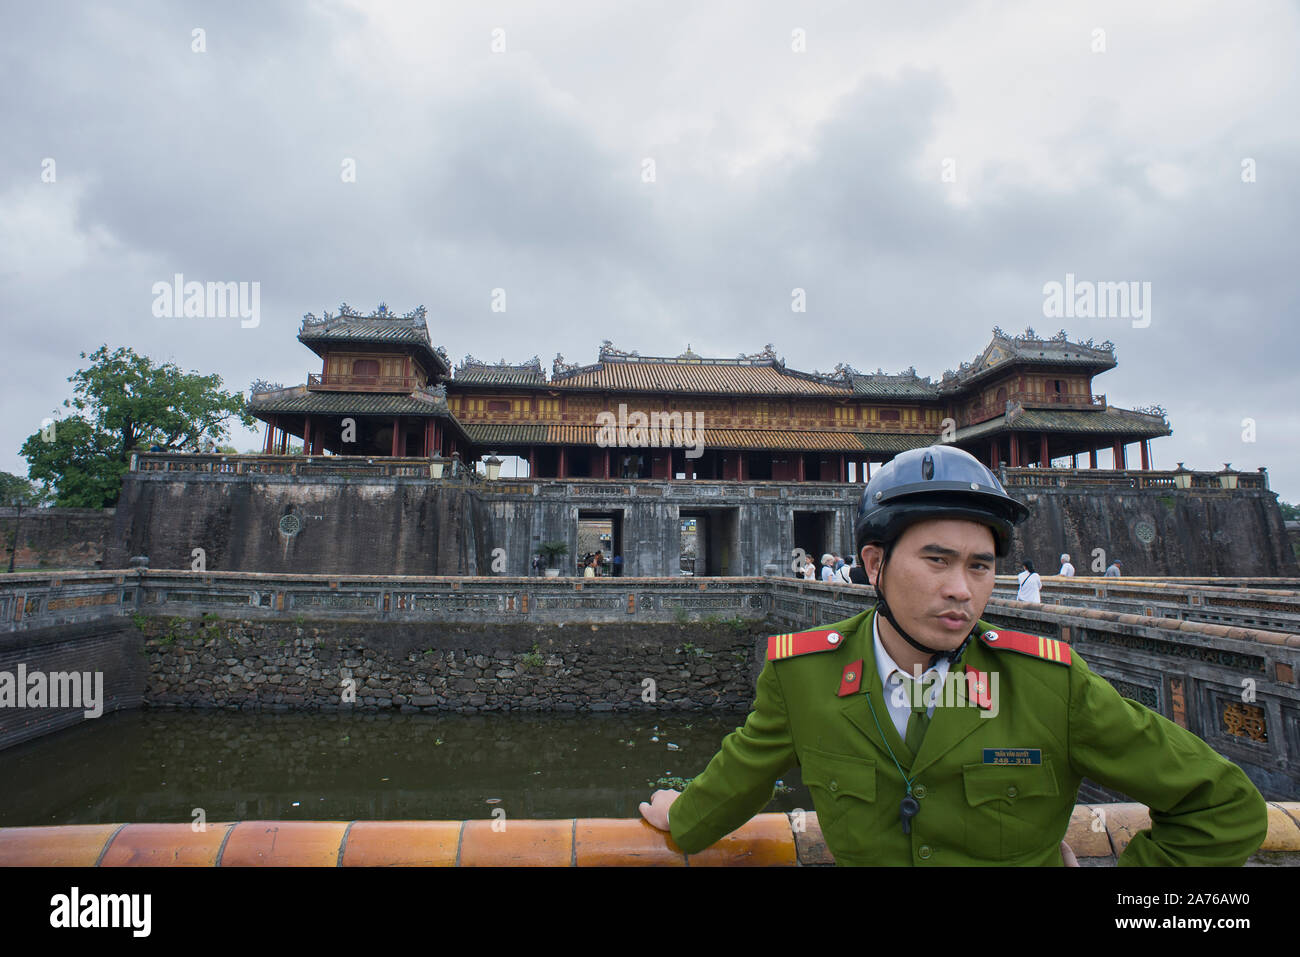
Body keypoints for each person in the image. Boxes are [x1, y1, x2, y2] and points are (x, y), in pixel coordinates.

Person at [639, 444, 1266, 865]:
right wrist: (682, 815)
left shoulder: (1049, 683)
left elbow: (1225, 807)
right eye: (936, 560)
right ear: (875, 564)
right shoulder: (803, 675)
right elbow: (734, 785)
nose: (961, 590)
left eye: (980, 566)